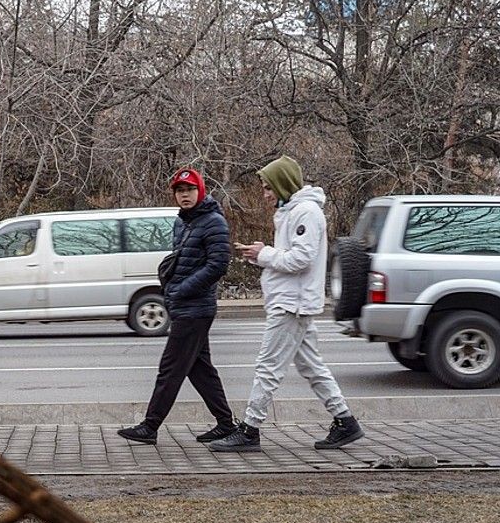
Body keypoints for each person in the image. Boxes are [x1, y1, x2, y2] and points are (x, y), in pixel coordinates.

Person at [210, 155, 363, 453]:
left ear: (283, 184)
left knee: (268, 367)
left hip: (292, 305)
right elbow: (292, 257)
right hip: (292, 302)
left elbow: (301, 259)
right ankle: (346, 421)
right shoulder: (294, 211)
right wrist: (261, 254)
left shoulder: (305, 212)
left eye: (269, 187)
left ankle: (250, 428)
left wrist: (264, 254)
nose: (265, 193)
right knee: (312, 367)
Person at [118, 169, 236, 446]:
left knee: (170, 368)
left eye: (190, 189)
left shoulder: (213, 222)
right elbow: (181, 260)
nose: (184, 194)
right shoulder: (183, 223)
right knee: (200, 369)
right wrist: (171, 287)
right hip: (183, 305)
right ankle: (226, 424)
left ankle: (150, 426)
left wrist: (181, 290)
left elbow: (218, 264)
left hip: (196, 307)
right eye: (179, 190)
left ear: (201, 191)